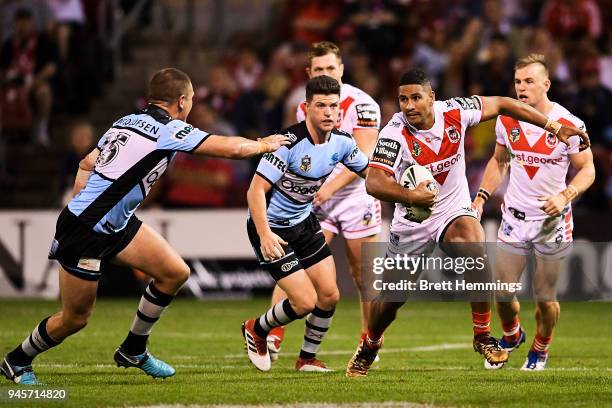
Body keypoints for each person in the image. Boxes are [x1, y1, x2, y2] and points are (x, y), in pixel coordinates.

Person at [0, 68, 289, 385]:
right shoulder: (169, 129)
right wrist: (265, 145)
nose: (190, 106)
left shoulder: (124, 121)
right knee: (75, 318)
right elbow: (232, 148)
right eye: (191, 100)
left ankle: (133, 349)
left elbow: (86, 163)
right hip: (85, 232)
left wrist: (79, 200)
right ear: (181, 101)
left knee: (174, 272)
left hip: (113, 224)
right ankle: (16, 361)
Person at [345, 67, 589, 377]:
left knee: (475, 249)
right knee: (390, 302)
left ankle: (482, 336)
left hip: (451, 210)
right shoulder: (394, 132)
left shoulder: (457, 112)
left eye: (415, 98)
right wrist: (410, 195)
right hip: (412, 222)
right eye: (402, 99)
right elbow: (374, 182)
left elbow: (502, 103)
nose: (408, 106)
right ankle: (370, 344)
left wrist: (554, 127)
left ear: (432, 98)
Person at [472, 54, 595, 371]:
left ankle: (541, 347)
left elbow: (587, 170)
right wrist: (482, 197)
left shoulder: (570, 125)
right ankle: (512, 335)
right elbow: (499, 161)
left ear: (546, 84)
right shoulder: (507, 119)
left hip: (551, 223)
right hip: (514, 217)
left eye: (529, 81)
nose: (521, 87)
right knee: (501, 292)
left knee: (544, 297)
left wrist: (565, 195)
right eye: (517, 82)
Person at [242, 75, 370, 372]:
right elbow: (255, 191)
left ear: (340, 110)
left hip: (304, 223)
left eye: (334, 106)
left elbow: (372, 175)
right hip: (272, 228)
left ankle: (306, 359)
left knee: (329, 295)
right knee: (304, 303)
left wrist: (406, 188)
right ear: (306, 107)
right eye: (321, 105)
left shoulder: (342, 142)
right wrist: (264, 235)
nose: (328, 112)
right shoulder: (288, 143)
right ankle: (256, 329)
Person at [267, 41, 382, 360]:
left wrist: (330, 188)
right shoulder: (302, 107)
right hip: (315, 199)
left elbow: (366, 155)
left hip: (356, 195)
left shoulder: (364, 105)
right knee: (297, 263)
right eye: (319, 70)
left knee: (365, 274)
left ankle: (368, 342)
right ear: (308, 74)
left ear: (342, 70)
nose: (326, 75)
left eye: (331, 68)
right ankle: (273, 333)